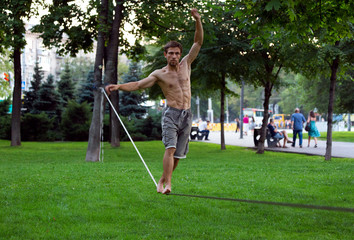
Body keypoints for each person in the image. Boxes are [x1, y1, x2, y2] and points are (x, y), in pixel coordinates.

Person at [105, 9, 203, 194]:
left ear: (180, 54)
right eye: (170, 53)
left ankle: (162, 180)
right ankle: (168, 185)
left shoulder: (186, 65)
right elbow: (138, 85)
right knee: (171, 148)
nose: (174, 56)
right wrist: (118, 86)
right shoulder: (159, 74)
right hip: (172, 115)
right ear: (165, 55)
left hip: (187, 115)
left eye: (176, 53)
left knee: (179, 155)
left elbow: (198, 42)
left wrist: (197, 20)